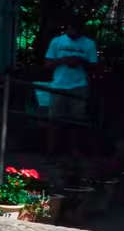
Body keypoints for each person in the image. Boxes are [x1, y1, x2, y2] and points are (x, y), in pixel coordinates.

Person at [40, 19, 98, 152]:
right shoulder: (57, 41)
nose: (72, 32)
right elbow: (47, 64)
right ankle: (51, 151)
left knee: (77, 121)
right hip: (58, 85)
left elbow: (95, 67)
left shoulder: (89, 44)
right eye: (70, 29)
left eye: (76, 30)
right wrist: (63, 60)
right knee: (54, 121)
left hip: (79, 86)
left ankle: (74, 151)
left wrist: (81, 62)